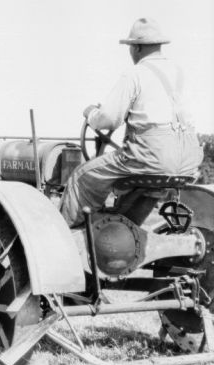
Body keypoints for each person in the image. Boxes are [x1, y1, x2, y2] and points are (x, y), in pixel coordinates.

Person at [60, 17, 203, 227]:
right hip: (189, 162)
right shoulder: (180, 74)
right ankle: (122, 227)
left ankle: (66, 238)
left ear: (136, 47)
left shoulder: (135, 74)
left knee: (81, 176)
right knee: (139, 172)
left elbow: (108, 119)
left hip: (150, 158)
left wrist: (91, 114)